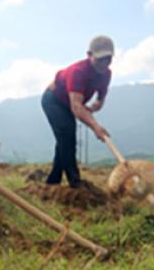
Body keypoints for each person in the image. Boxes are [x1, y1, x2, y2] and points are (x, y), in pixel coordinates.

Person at [41, 36, 113, 188]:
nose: (104, 63)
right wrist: (95, 126)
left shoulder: (106, 74)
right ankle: (75, 183)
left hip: (70, 104)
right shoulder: (78, 71)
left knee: (64, 139)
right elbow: (76, 107)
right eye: (100, 59)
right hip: (53, 100)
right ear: (89, 55)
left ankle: (52, 182)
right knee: (68, 136)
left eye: (108, 58)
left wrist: (92, 108)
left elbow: (100, 100)